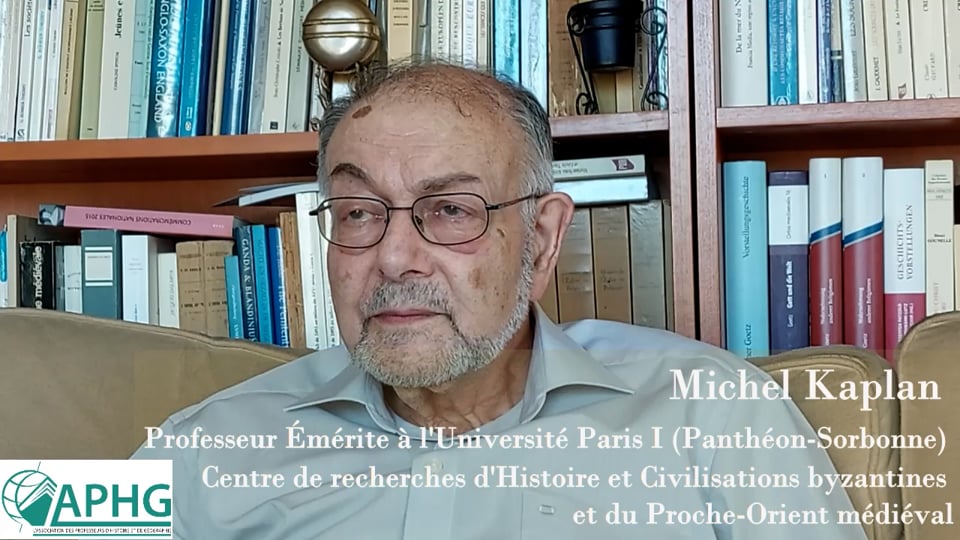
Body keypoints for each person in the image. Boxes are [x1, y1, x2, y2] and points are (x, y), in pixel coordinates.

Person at [132, 60, 867, 539]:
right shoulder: (198, 446)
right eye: (357, 212)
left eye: (451, 210)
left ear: (541, 241)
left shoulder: (715, 412)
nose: (393, 256)